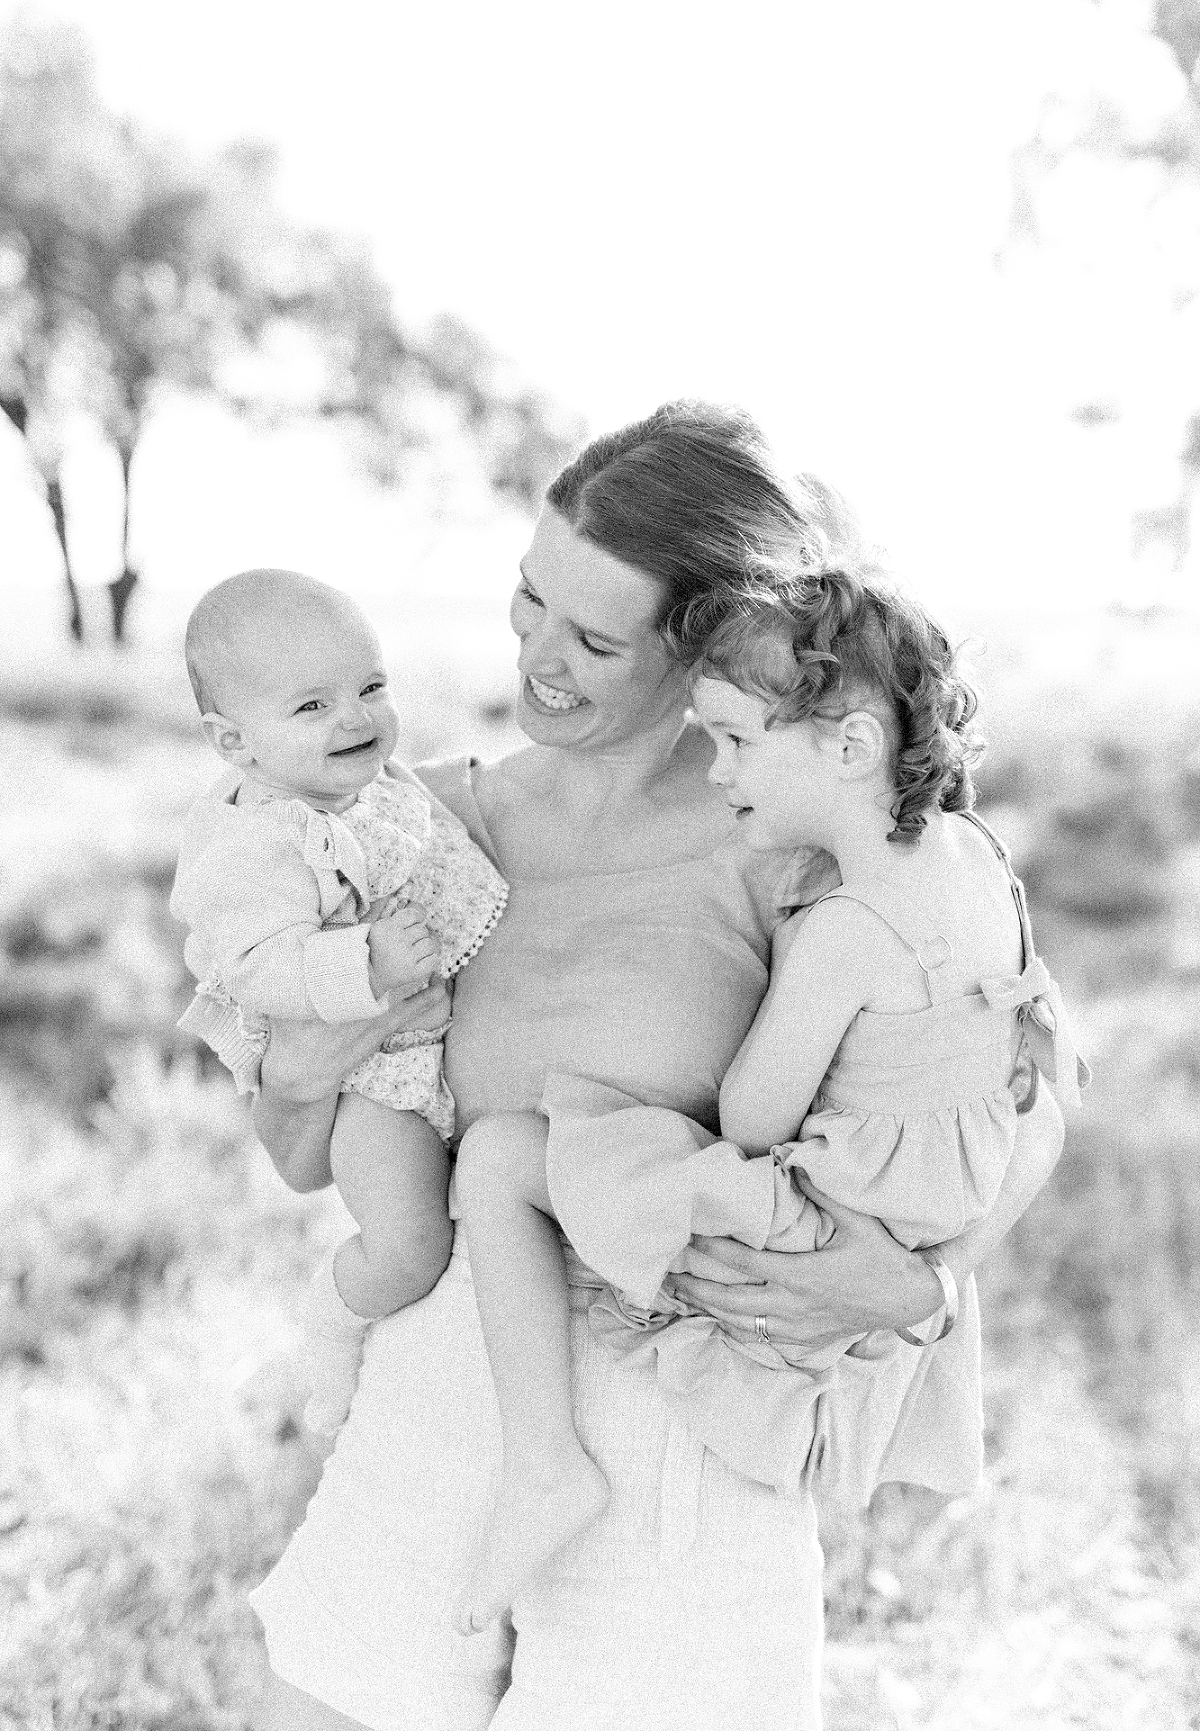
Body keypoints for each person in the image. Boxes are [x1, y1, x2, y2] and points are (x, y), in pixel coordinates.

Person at [241, 402, 1066, 1731]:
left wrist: (920, 1278)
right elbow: (293, 1154)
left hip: (684, 1434)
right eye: (526, 605)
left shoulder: (795, 834)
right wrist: (332, 1003)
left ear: (707, 643)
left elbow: (1027, 1092)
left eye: (593, 637)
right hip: (443, 1391)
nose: (539, 659)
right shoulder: (437, 822)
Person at [449, 562, 1088, 1634]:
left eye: (738, 742)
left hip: (822, 1227)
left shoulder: (847, 929)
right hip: (917, 1213)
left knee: (505, 1159)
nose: (716, 772)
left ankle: (545, 1463)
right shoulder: (975, 855)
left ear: (849, 748)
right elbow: (1048, 1067)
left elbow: (752, 1118)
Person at [170, 570, 507, 1433]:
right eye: (311, 707)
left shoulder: (373, 789)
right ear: (234, 744)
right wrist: (367, 962)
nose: (356, 718)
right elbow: (257, 965)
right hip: (371, 1086)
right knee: (410, 1248)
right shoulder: (258, 841)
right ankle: (333, 1323)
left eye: (370, 687)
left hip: (426, 1052)